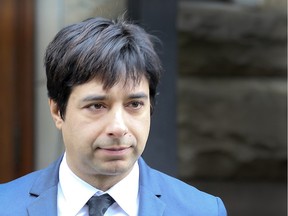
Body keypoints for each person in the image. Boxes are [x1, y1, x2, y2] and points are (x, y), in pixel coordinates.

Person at [0, 17, 227, 216]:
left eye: (134, 104)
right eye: (97, 105)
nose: (118, 128)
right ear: (57, 111)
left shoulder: (201, 210)